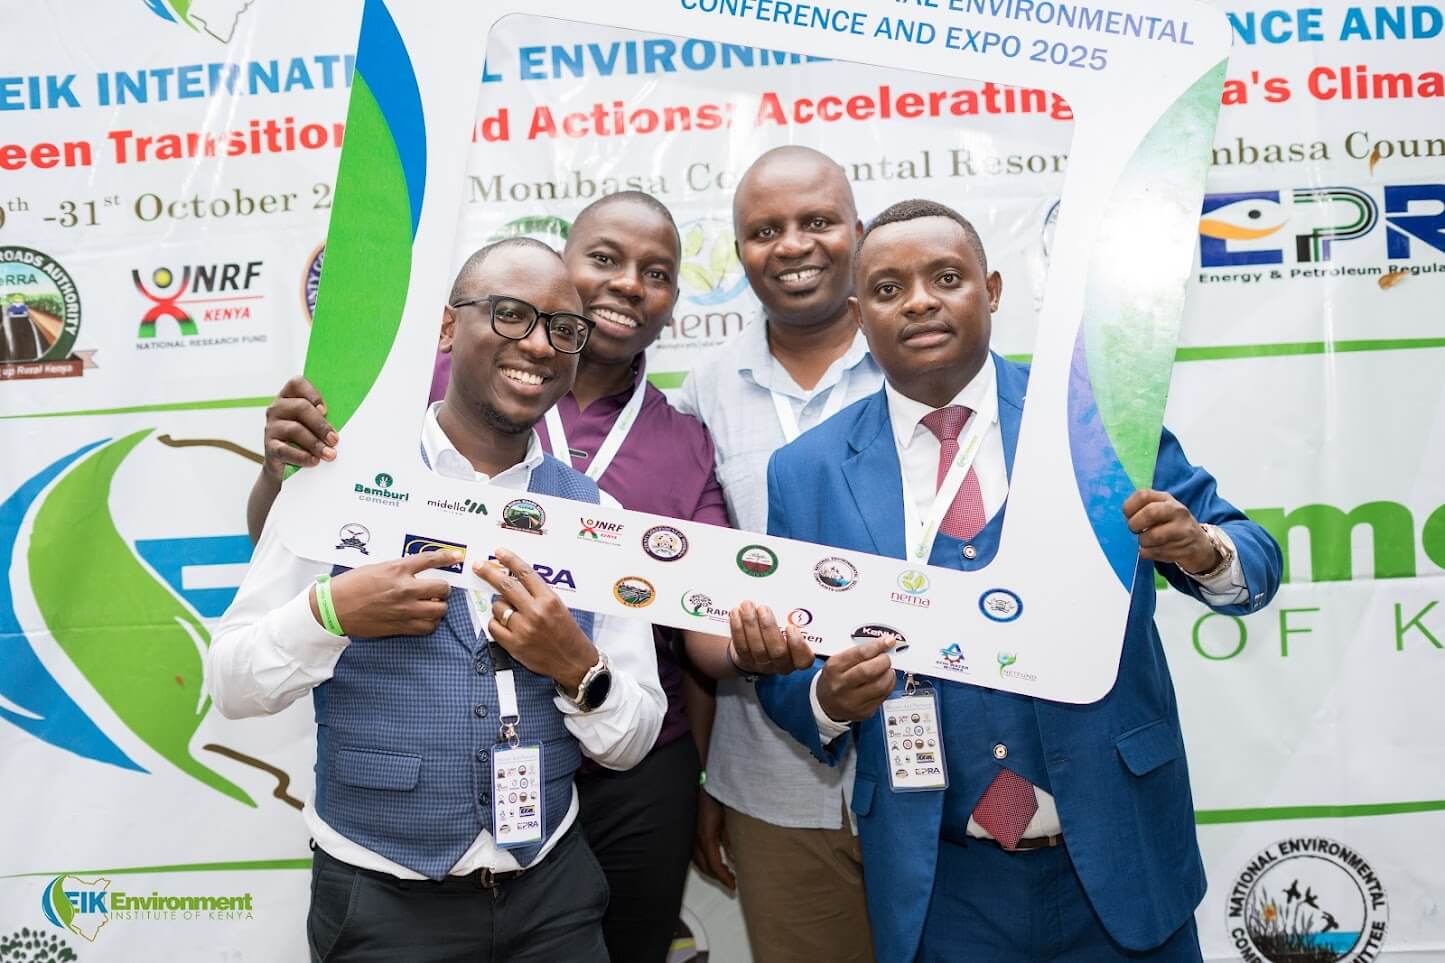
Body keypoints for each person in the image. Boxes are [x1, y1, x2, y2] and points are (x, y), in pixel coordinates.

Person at [727, 199, 1284, 962]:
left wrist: (1201, 549)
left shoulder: (1097, 422)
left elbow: (1256, 559)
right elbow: (788, 679)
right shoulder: (807, 471)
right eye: (887, 289)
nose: (918, 301)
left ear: (990, 291)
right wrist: (825, 697)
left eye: (945, 278)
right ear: (858, 317)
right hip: (941, 887)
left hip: (1121, 861)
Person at [248, 192, 729, 963]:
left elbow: (635, 729)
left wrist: (579, 669)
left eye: (561, 329)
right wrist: (331, 612)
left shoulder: (604, 506)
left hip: (553, 890)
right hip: (382, 894)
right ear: (447, 328)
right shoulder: (356, 466)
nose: (536, 344)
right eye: (510, 315)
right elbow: (235, 676)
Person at [673, 146, 882, 962]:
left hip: (933, 768)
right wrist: (703, 779)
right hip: (772, 783)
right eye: (765, 230)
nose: (792, 245)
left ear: (858, 230)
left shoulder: (919, 363)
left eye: (817, 221)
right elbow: (690, 598)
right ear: (739, 251)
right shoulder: (706, 391)